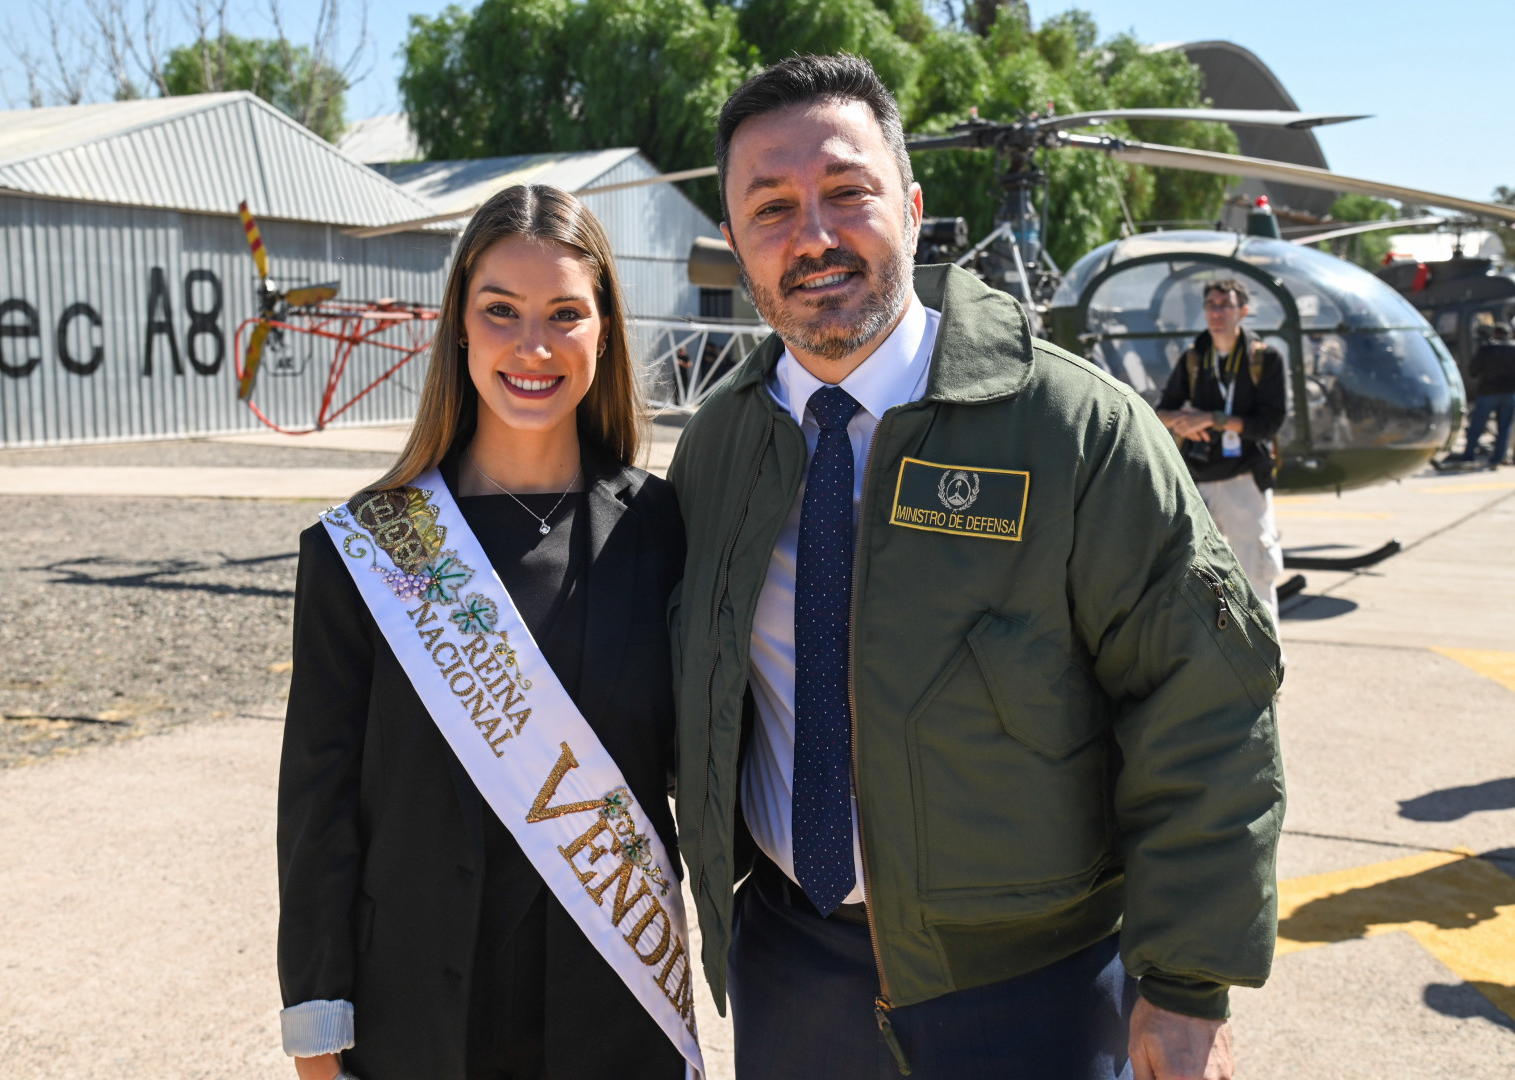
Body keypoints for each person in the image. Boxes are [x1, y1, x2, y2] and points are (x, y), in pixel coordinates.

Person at [667, 55, 1284, 1080]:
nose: (813, 236)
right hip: (790, 970)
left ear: (912, 211)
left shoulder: (1074, 430)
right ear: (733, 245)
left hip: (1032, 989)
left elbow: (1203, 705)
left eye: (847, 192)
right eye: (770, 208)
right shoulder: (718, 448)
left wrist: (1185, 982)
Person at [277, 185, 687, 1080]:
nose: (532, 346)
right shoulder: (362, 550)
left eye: (564, 314)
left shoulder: (663, 531)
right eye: (500, 310)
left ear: (605, 332)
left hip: (616, 1012)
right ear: (458, 327)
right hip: (415, 1017)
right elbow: (317, 805)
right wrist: (316, 1025)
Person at [1156, 280, 1289, 627]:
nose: (1216, 313)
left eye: (1225, 305)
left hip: (1244, 481)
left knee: (1256, 578)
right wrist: (1184, 423)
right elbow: (1161, 412)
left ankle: (1266, 656)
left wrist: (1214, 419)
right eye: (1211, 305)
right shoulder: (1194, 358)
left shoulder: (1264, 358)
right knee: (1189, 576)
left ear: (1242, 311)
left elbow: (1269, 424)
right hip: (1198, 482)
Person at [1445, 322, 1515, 468]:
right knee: (1504, 427)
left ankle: (1468, 455)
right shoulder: (1513, 348)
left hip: (1488, 393)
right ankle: (1497, 459)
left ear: (1495, 334)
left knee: (1477, 425)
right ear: (1508, 334)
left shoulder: (1486, 349)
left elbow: (1473, 370)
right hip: (1509, 393)